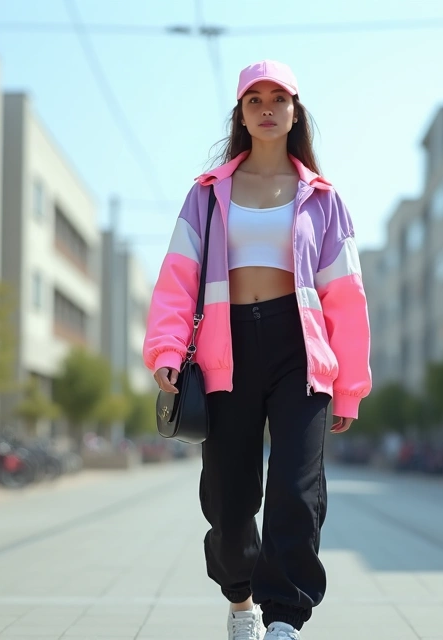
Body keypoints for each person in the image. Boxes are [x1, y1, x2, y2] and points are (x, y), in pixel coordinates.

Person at [143, 60, 372, 640]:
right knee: (229, 497)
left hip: (301, 351)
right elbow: (177, 278)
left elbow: (346, 297)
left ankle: (285, 618)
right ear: (241, 115)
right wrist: (166, 350)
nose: (267, 108)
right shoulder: (207, 195)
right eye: (254, 100)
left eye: (279, 98)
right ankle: (240, 599)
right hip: (227, 349)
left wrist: (349, 386)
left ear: (296, 112)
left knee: (295, 488)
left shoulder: (323, 199)